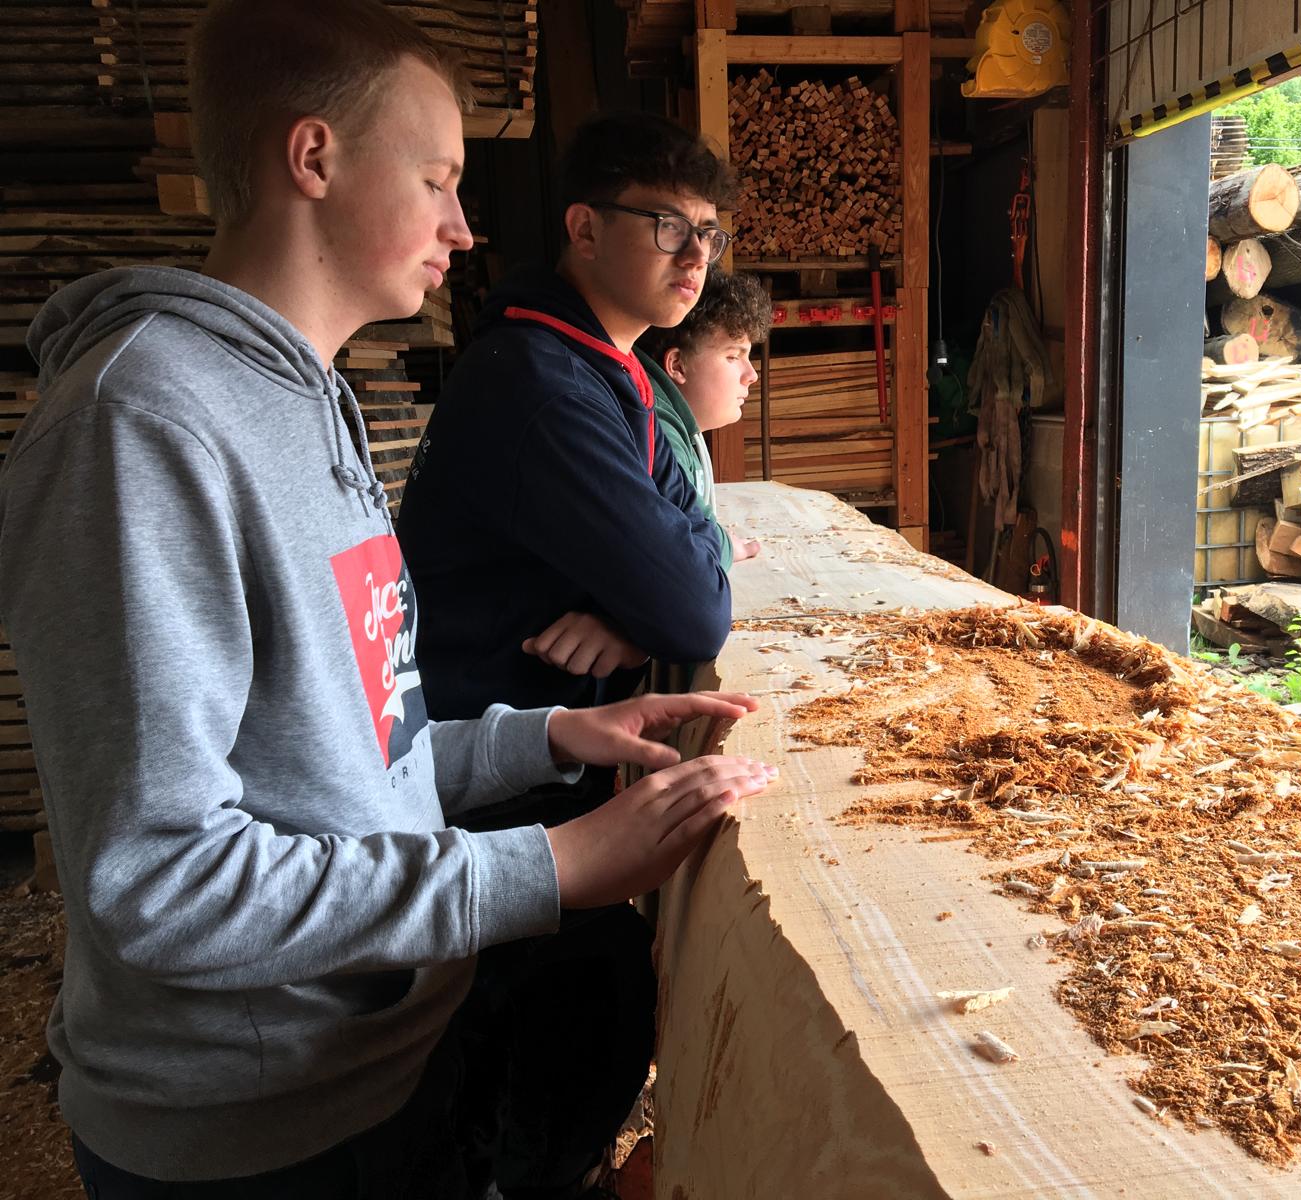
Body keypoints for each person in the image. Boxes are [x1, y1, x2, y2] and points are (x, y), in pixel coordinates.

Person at [0, 2, 774, 1196]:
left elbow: (348, 756)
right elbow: (159, 882)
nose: (465, 229)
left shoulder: (309, 400)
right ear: (312, 159)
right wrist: (552, 866)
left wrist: (544, 737)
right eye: (438, 180)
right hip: (255, 1133)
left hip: (370, 1062)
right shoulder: (142, 427)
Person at [397, 112, 740, 755]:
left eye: (707, 234)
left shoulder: (616, 371)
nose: (696, 256)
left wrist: (630, 618)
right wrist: (656, 606)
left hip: (555, 741)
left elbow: (701, 526)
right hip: (492, 776)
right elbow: (696, 612)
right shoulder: (544, 388)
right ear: (585, 229)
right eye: (668, 227)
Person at [637, 268, 772, 565]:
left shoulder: (675, 421)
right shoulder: (658, 429)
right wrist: (724, 547)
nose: (751, 375)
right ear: (678, 365)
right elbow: (687, 548)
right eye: (733, 356)